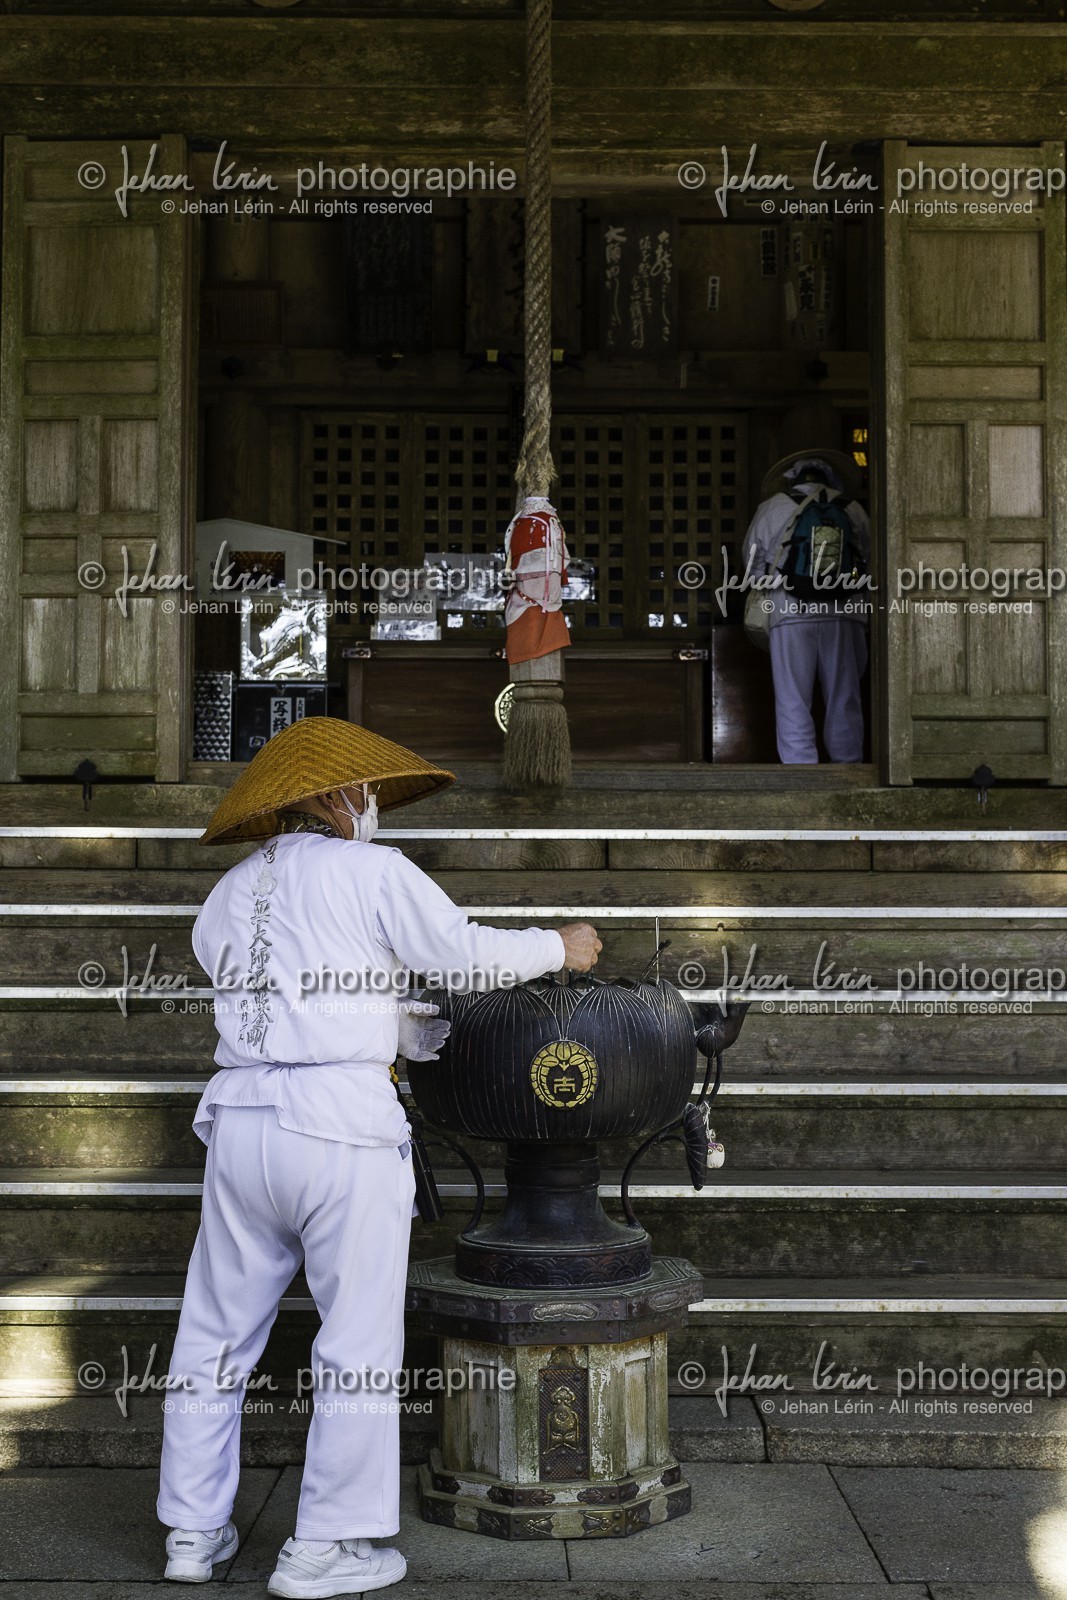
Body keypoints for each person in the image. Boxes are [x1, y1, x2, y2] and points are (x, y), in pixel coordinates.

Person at [156, 716, 601, 1594]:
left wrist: (393, 1020)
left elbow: (292, 996)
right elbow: (463, 956)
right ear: (331, 795)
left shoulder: (228, 895)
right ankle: (325, 1545)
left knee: (212, 1336)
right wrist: (562, 945)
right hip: (340, 1129)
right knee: (354, 1338)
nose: (370, 809)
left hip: (243, 1121)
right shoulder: (373, 873)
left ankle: (190, 1532)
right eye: (362, 794)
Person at [742, 449, 871, 765]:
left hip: (790, 612)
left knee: (792, 699)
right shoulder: (852, 508)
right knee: (844, 696)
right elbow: (870, 557)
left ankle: (800, 771)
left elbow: (751, 560)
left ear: (793, 477)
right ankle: (848, 766)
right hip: (845, 613)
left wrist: (774, 582)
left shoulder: (773, 507)